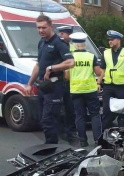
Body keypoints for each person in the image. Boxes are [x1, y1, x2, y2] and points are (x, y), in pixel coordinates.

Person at [25, 15, 75, 144]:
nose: (41, 30)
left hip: (55, 87)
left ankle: (52, 150)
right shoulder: (42, 42)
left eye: (44, 27)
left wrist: (52, 67)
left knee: (49, 120)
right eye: (38, 28)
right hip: (43, 87)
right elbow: (38, 65)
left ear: (51, 25)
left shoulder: (59, 43)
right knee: (43, 120)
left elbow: (70, 62)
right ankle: (51, 147)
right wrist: (29, 84)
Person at [66, 32, 102, 147]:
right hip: (90, 90)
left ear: (74, 44)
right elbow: (98, 72)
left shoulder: (70, 57)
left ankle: (83, 141)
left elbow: (66, 76)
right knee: (95, 115)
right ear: (84, 44)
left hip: (76, 91)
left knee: (79, 116)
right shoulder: (91, 56)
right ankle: (98, 140)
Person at [56, 25, 80, 144]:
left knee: (70, 109)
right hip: (60, 81)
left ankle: (70, 131)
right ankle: (60, 132)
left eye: (63, 33)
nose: (60, 35)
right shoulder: (58, 46)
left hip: (70, 82)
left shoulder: (71, 47)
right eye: (62, 33)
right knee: (59, 108)